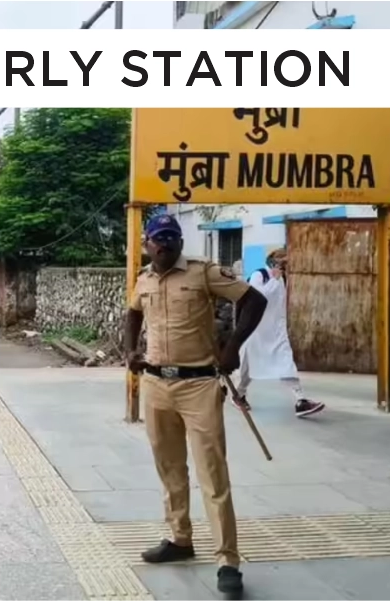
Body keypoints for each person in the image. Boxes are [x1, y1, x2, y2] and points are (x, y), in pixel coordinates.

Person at [125, 214, 267, 595]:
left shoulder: (203, 272)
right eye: (159, 238)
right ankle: (180, 539)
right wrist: (130, 350)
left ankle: (227, 560)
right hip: (156, 384)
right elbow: (133, 312)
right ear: (147, 244)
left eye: (172, 237)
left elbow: (254, 300)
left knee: (212, 473)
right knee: (169, 467)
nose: (165, 244)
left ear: (180, 242)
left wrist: (233, 346)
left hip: (199, 385)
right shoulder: (144, 278)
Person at [233, 249, 325, 418]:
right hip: (256, 331)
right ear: (273, 261)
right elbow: (257, 297)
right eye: (283, 262)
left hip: (276, 332)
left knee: (286, 362)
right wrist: (273, 280)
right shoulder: (260, 275)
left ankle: (301, 401)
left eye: (286, 263)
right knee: (248, 366)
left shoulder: (282, 279)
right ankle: (238, 394)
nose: (285, 266)